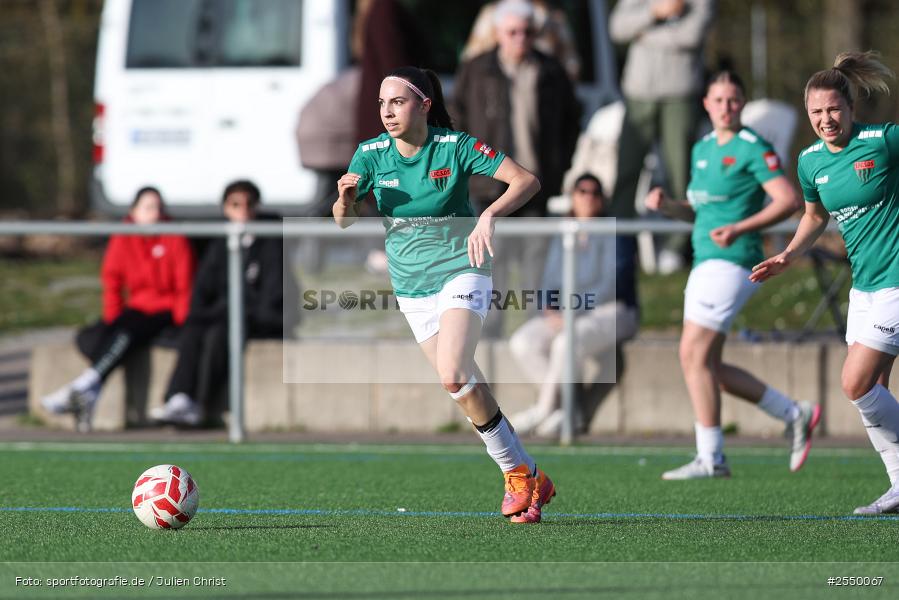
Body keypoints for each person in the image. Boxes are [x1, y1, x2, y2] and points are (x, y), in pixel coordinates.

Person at [334, 65, 553, 524]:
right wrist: (345, 201)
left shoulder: (455, 146)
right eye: (381, 103)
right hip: (411, 286)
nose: (387, 112)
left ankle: (514, 473)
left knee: (453, 373)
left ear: (424, 105)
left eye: (397, 101)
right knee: (464, 387)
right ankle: (531, 475)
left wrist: (490, 213)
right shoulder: (370, 153)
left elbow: (526, 180)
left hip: (462, 269)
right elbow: (344, 220)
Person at [645, 70, 819, 480]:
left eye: (734, 100)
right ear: (706, 104)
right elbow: (699, 211)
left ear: (742, 104)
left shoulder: (751, 147)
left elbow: (788, 199)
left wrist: (740, 228)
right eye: (719, 100)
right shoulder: (702, 148)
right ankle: (795, 414)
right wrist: (668, 205)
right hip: (705, 260)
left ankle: (712, 457)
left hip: (734, 260)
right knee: (708, 367)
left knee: (691, 354)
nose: (726, 107)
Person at [752, 51, 899, 514]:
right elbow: (815, 215)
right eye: (816, 112)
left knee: (854, 383)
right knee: (873, 387)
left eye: (833, 109)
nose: (825, 119)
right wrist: (788, 255)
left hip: (897, 281)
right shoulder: (810, 161)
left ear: (851, 107)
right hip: (865, 287)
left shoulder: (884, 140)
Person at [452, 0, 580, 336]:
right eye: (512, 32)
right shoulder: (476, 69)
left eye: (526, 32)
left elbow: (571, 121)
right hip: (489, 187)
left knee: (535, 264)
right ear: (498, 33)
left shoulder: (551, 70)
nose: (520, 38)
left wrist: (559, 166)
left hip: (535, 186)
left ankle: (531, 333)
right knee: (491, 264)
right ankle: (490, 334)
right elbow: (458, 121)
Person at [41, 187, 195, 431]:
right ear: (134, 212)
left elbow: (184, 284)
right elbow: (112, 280)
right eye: (147, 207)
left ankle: (84, 387)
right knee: (99, 335)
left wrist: (182, 319)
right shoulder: (124, 236)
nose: (154, 213)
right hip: (136, 311)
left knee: (126, 333)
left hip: (166, 311)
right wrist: (113, 320)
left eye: (158, 207)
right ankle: (88, 391)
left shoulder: (174, 237)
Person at [509, 174, 637, 436]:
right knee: (523, 342)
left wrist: (572, 311)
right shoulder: (563, 231)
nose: (588, 197)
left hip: (612, 311)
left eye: (595, 192)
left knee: (564, 343)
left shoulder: (615, 231)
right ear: (573, 196)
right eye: (582, 191)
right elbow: (550, 279)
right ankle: (567, 411)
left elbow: (612, 282)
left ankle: (544, 411)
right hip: (570, 312)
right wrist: (550, 307)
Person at [151, 180, 286, 427]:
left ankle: (200, 404)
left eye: (249, 204)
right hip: (223, 312)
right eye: (235, 204)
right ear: (225, 208)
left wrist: (242, 310)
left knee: (219, 333)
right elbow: (204, 288)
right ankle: (178, 397)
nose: (243, 210)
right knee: (194, 328)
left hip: (259, 316)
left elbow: (273, 293)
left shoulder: (271, 241)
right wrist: (200, 313)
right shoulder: (219, 244)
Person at [609, 0, 716, 273]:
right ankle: (619, 243)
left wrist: (644, 35)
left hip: (679, 94)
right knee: (627, 171)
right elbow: (617, 28)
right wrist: (654, 12)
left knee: (680, 173)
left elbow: (691, 36)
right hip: (638, 93)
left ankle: (678, 247)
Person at [460, 0, 581, 81]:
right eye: (512, 32)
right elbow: (471, 62)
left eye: (528, 32)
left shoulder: (555, 19)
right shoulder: (492, 14)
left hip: (539, 93)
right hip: (496, 93)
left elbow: (571, 67)